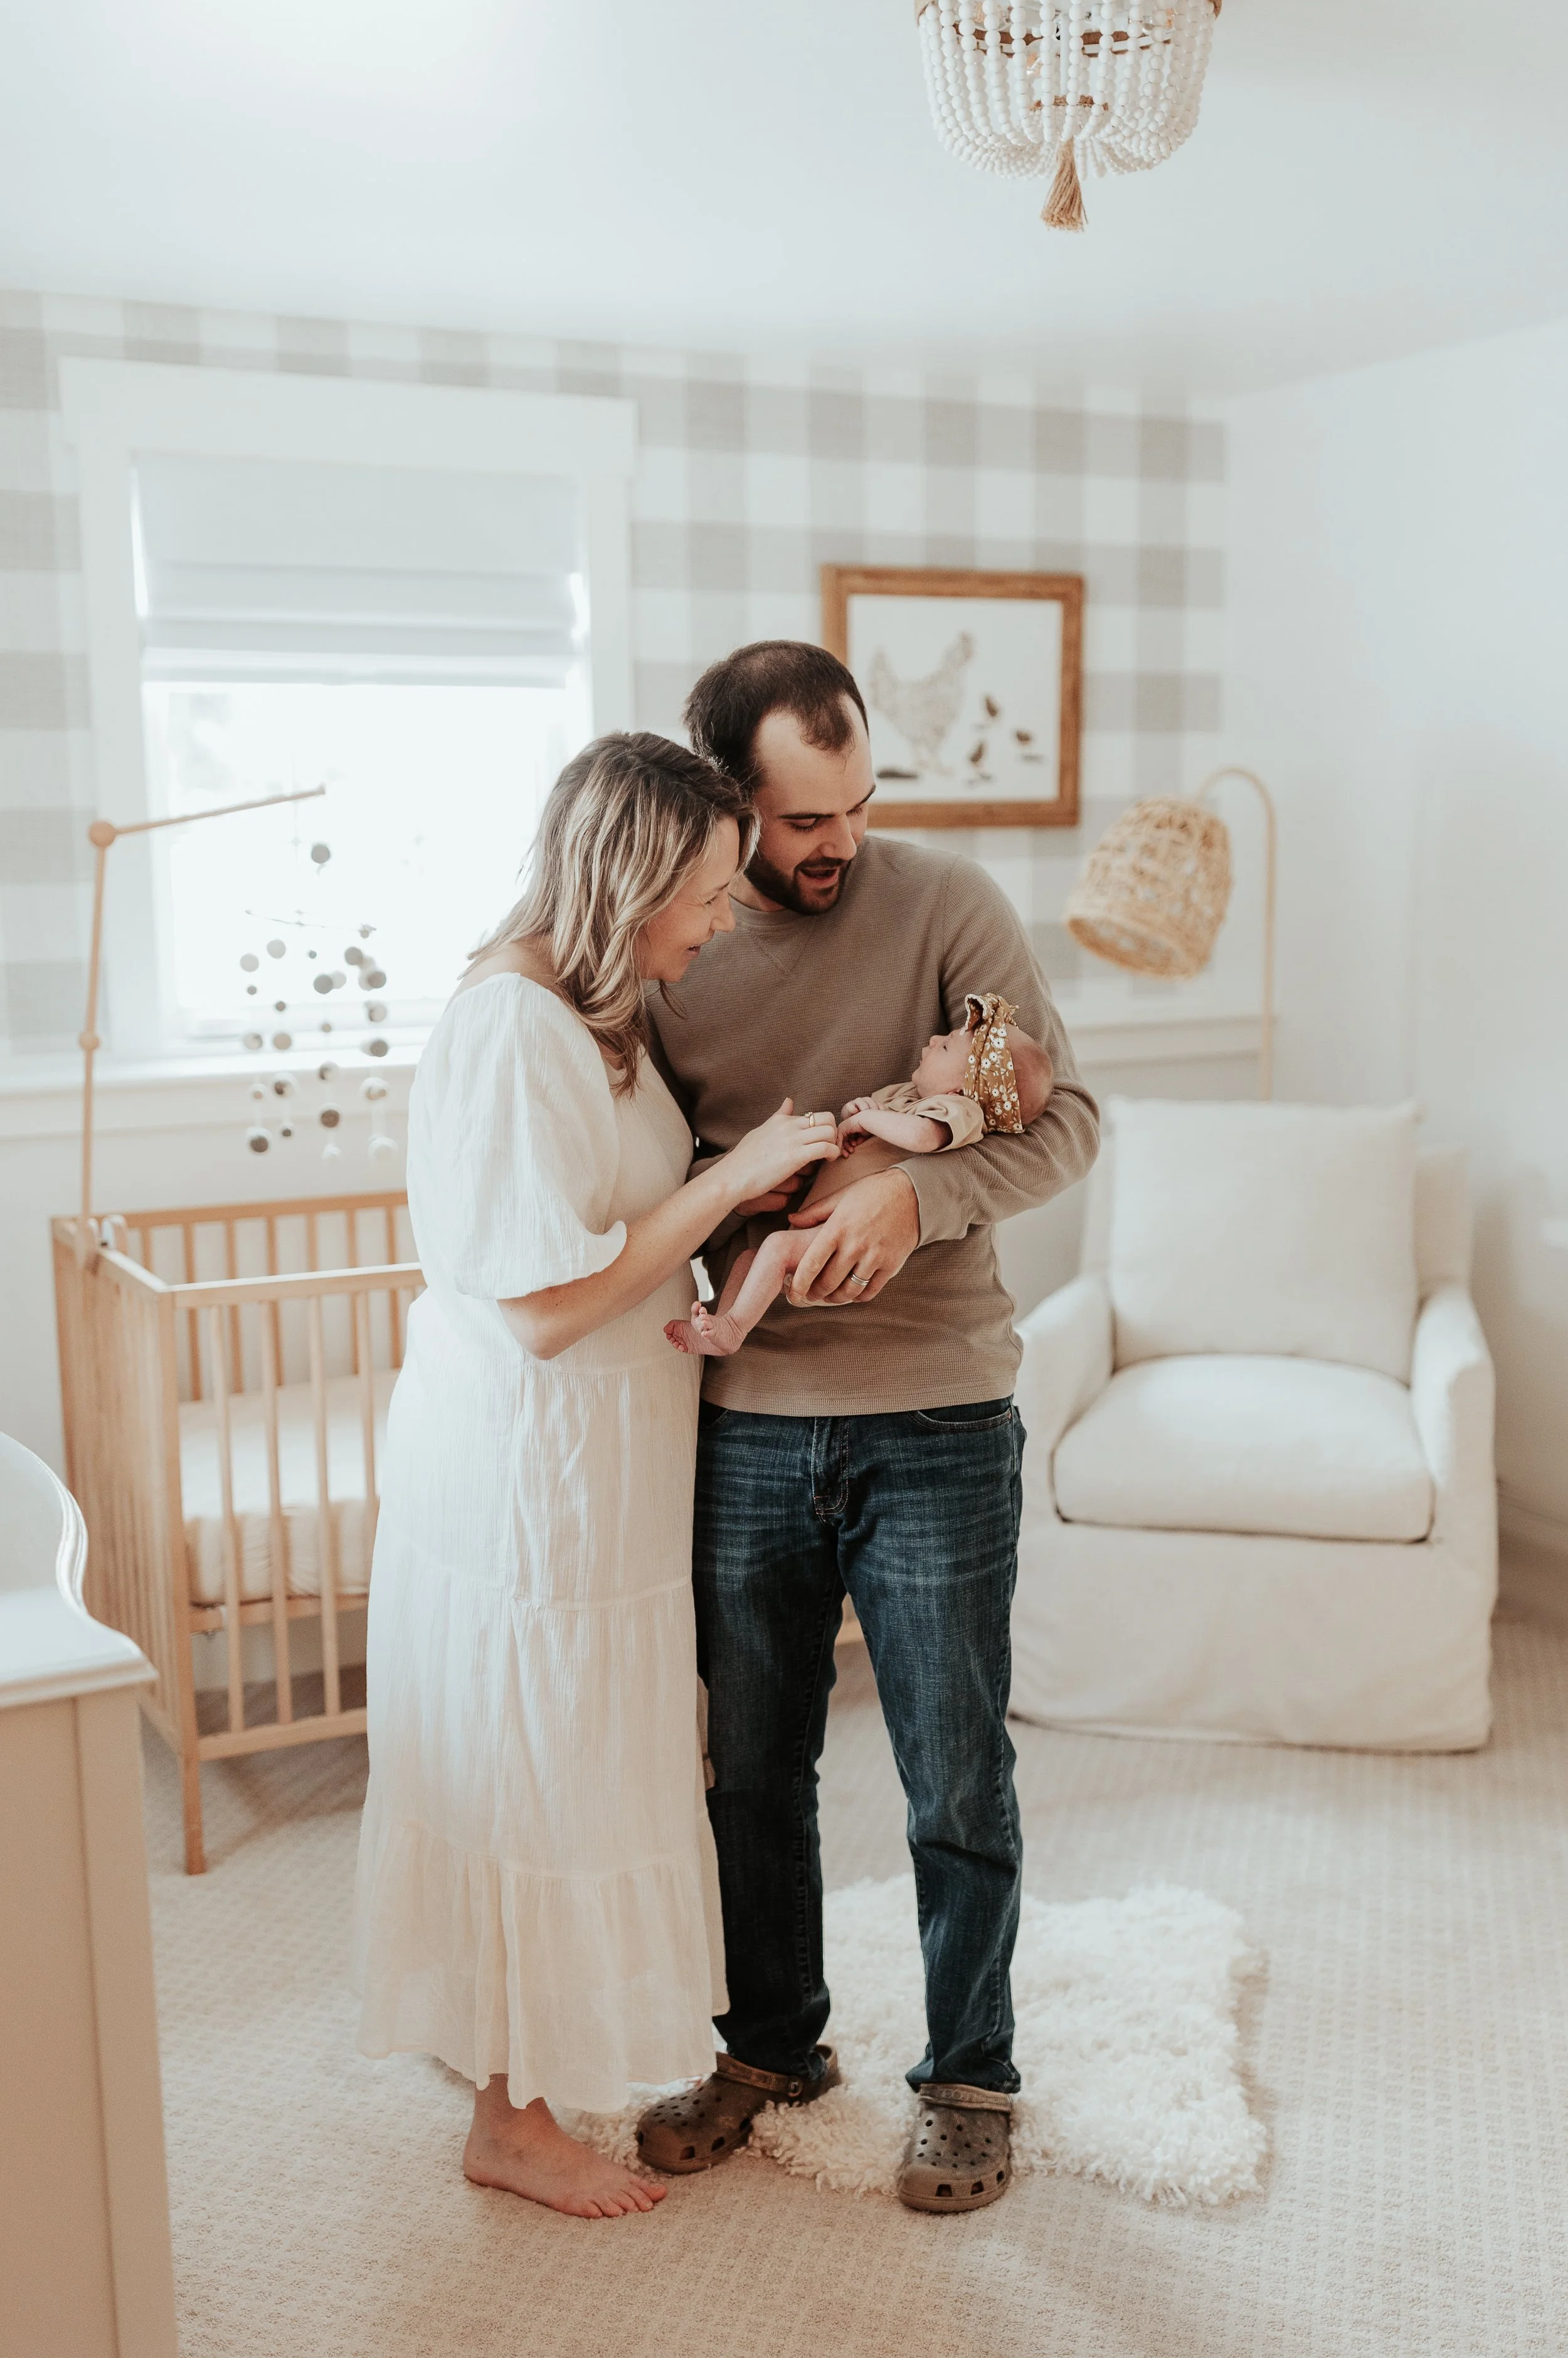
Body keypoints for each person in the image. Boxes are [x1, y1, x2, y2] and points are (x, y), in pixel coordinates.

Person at [635, 643, 1100, 2214]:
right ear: (723, 800)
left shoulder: (948, 901)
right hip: (746, 1418)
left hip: (939, 1411)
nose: (840, 840)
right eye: (800, 818)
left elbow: (1062, 1113)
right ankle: (771, 2045)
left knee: (954, 1773)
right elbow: (645, 1177)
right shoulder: (674, 946)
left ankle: (970, 2075)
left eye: (858, 802)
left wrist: (917, 1192)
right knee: (752, 1769)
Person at [352, 731, 842, 2221]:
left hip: (601, 1465)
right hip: (528, 1474)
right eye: (705, 889)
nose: (723, 916)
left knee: (571, 1759)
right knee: (533, 1762)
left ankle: (522, 2065)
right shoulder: (514, 1026)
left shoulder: (598, 1015)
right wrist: (727, 1180)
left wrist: (727, 1233)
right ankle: (509, 2119)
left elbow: (604, 1233)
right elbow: (545, 1306)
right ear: (627, 878)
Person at [664, 992, 1056, 1360]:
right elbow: (879, 1128)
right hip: (825, 1223)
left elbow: (921, 1137)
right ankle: (723, 1318)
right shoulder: (912, 1097)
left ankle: (733, 1328)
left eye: (947, 1047)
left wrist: (868, 1119)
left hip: (845, 1236)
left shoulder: (959, 1111)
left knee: (775, 1249)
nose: (935, 1039)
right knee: (752, 1258)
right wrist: (859, 1113)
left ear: (961, 1088)